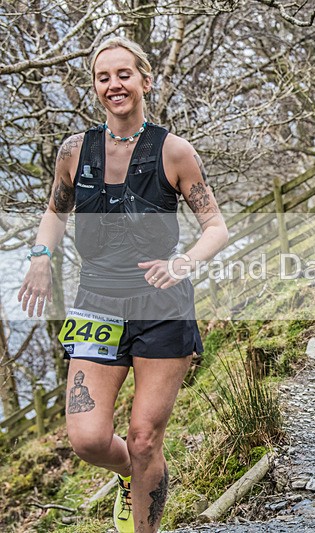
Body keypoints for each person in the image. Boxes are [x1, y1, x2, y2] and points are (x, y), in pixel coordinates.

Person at [17, 37, 228, 533]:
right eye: (103, 77)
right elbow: (54, 213)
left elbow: (216, 227)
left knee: (143, 439)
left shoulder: (174, 151)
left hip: (162, 306)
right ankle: (130, 477)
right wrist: (41, 256)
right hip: (96, 303)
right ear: (95, 87)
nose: (114, 85)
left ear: (145, 81)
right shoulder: (75, 151)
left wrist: (184, 263)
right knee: (88, 439)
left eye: (124, 74)